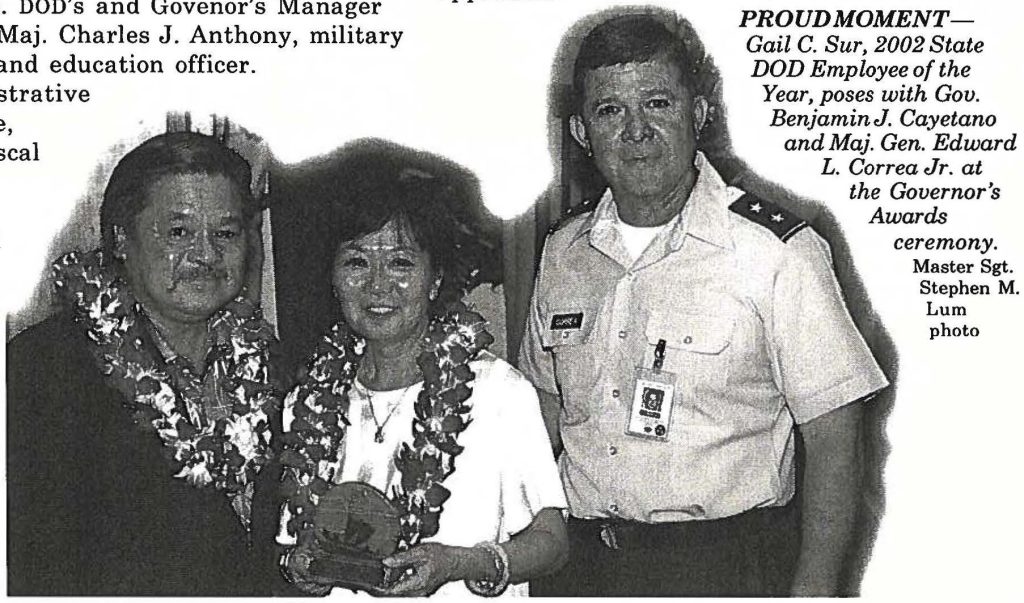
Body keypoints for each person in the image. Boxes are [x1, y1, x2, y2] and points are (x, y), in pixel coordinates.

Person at [520, 13, 890, 597]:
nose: (636, 130)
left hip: (723, 567)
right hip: (581, 567)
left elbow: (834, 433)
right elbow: (544, 411)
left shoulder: (775, 251)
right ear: (582, 133)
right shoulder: (564, 253)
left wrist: (815, 590)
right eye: (610, 110)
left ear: (697, 113)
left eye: (658, 103)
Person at [275, 143, 568, 597]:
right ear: (332, 277)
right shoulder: (307, 401)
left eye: (401, 262)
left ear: (434, 280)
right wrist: (299, 565)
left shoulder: (497, 393)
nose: (377, 284)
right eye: (356, 261)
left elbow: (552, 542)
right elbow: (292, 543)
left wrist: (460, 562)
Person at [6, 131, 283, 595]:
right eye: (179, 232)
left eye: (226, 233)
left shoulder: (269, 363)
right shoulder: (43, 369)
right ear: (120, 239)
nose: (206, 254)